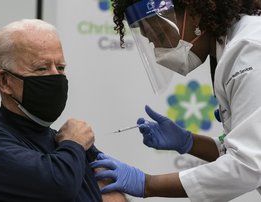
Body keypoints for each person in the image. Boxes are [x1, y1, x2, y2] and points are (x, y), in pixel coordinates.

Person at [90, 0, 261, 201]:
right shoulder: (233, 45)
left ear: (195, 15)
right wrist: (188, 142)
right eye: (152, 41)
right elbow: (246, 151)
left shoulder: (248, 50)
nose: (159, 52)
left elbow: (248, 165)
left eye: (161, 36)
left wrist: (147, 184)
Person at [0, 19, 128, 202]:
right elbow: (57, 188)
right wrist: (74, 144)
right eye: (41, 68)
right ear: (4, 81)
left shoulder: (64, 141)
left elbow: (114, 196)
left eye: (61, 67)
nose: (56, 77)